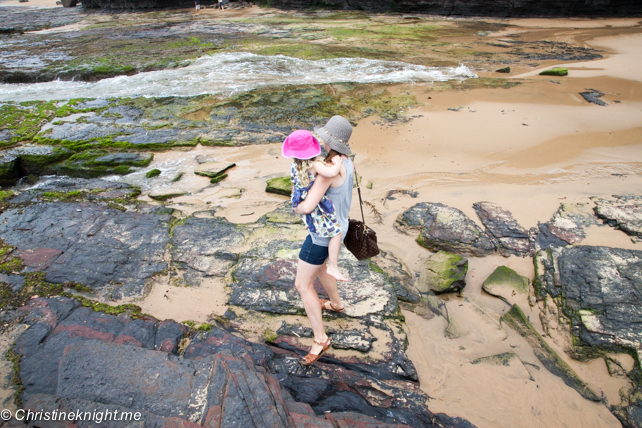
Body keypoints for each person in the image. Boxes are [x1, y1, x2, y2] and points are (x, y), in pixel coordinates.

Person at [290, 116, 355, 366]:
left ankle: (320, 339)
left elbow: (307, 206)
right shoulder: (346, 161)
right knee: (321, 268)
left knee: (302, 285)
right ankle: (336, 304)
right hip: (340, 227)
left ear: (328, 140)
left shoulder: (326, 171)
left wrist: (296, 207)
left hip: (321, 236)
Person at [283, 129, 349, 283]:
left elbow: (295, 185)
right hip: (315, 204)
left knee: (311, 217)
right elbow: (332, 172)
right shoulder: (314, 165)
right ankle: (333, 265)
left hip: (299, 199)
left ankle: (310, 224)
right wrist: (338, 163)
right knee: (337, 232)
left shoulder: (294, 166)